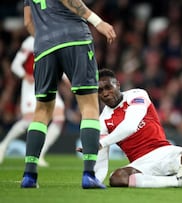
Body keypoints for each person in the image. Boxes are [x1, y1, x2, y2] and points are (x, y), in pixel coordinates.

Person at [21, 0, 116, 189]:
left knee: (42, 110)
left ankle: (29, 176)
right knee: (89, 106)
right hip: (75, 39)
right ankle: (89, 174)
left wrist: (47, 40)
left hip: (44, 46)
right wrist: (98, 22)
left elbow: (27, 22)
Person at [0, 36, 65, 167]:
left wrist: (67, 79)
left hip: (48, 83)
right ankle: (3, 145)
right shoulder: (30, 41)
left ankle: (40, 154)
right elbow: (15, 65)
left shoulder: (55, 40)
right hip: (31, 86)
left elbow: (58, 64)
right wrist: (25, 75)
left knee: (59, 118)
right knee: (29, 120)